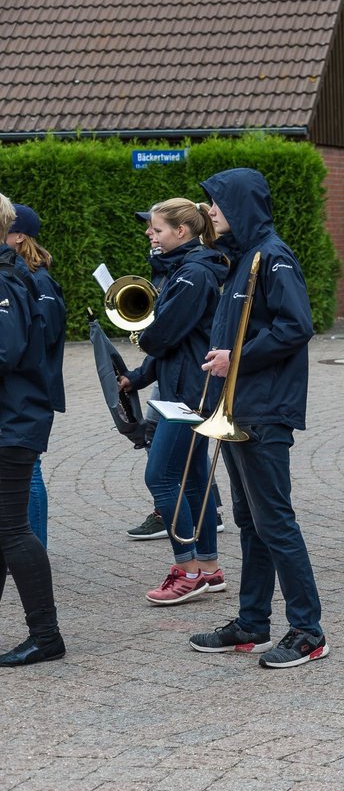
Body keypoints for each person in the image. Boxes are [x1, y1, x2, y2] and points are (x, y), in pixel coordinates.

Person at [187, 168, 329, 669]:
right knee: (250, 520)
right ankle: (252, 622)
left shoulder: (273, 257)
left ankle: (308, 630)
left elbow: (297, 326)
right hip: (243, 404)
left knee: (275, 521)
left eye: (217, 205)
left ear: (242, 205)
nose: (211, 212)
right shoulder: (243, 257)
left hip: (265, 407)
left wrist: (235, 359)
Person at [118, 199, 230, 605]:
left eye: (157, 229)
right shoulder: (185, 270)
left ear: (181, 232)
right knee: (195, 478)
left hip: (187, 393)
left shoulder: (192, 274)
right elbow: (175, 343)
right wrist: (138, 376)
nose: (150, 234)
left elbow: (162, 335)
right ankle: (208, 568)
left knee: (161, 477)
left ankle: (187, 570)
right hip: (186, 386)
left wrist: (143, 336)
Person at [0, 192, 65, 666]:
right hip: (14, 417)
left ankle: (46, 638)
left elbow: (6, 351)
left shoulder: (6, 280)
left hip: (12, 422)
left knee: (13, 531)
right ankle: (44, 636)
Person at [5, 205, 64, 549]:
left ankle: (34, 546)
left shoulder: (39, 280)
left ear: (19, 237)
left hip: (32, 388)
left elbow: (49, 333)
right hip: (26, 386)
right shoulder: (20, 274)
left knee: (32, 469)